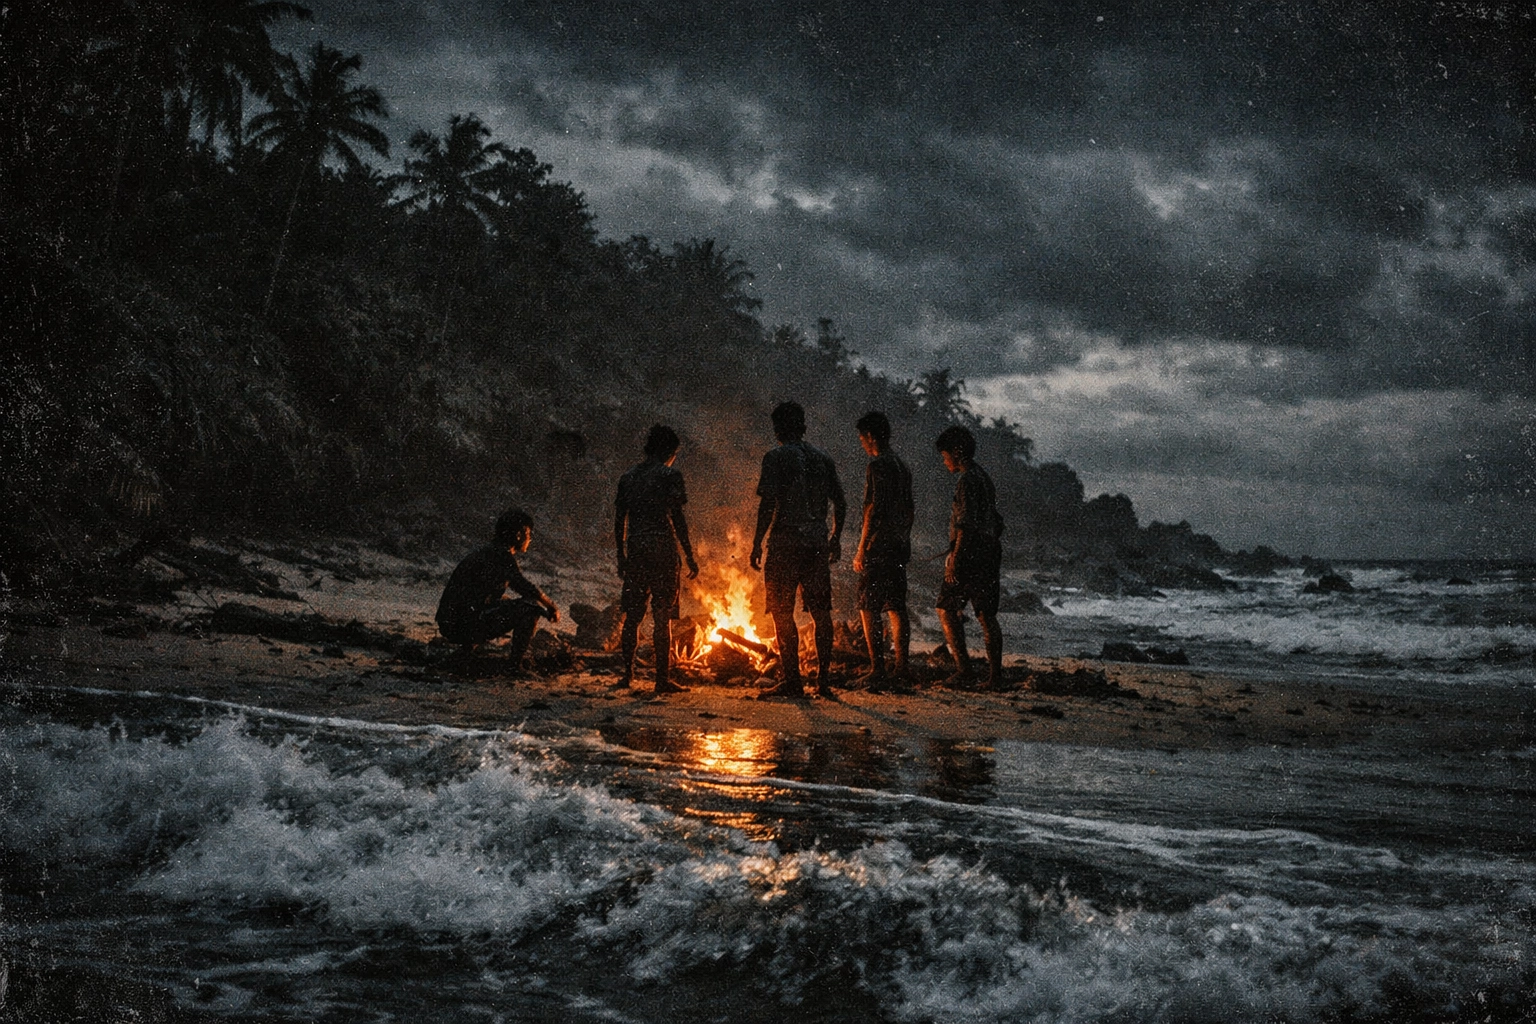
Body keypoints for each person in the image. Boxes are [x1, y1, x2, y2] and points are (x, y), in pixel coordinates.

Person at [750, 401, 846, 699]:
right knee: (821, 612)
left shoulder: (776, 457)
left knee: (781, 612)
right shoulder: (823, 459)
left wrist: (756, 542)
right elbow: (840, 502)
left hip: (785, 543)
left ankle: (793, 681)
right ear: (802, 427)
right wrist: (835, 537)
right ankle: (824, 682)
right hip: (816, 542)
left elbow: (768, 504)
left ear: (778, 428)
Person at [614, 423, 699, 696]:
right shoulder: (670, 475)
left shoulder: (628, 477)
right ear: (669, 451)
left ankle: (627, 675)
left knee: (633, 616)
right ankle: (661, 680)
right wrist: (688, 554)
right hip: (663, 548)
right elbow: (678, 518)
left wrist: (620, 553)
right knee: (662, 617)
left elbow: (619, 520)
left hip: (637, 547)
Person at [435, 508, 559, 672]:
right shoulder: (501, 556)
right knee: (531, 609)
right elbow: (525, 587)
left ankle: (465, 653)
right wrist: (550, 606)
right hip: (461, 625)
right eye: (528, 533)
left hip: (452, 622)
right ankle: (514, 665)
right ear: (518, 535)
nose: (530, 539)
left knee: (502, 602)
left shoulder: (488, 552)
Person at [934, 425, 1005, 689]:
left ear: (957, 452)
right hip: (989, 552)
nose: (944, 461)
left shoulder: (966, 481)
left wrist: (955, 559)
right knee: (986, 614)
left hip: (970, 554)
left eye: (945, 455)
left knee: (945, 608)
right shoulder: (984, 478)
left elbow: (964, 525)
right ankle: (994, 677)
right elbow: (995, 522)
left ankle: (964, 669)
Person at [852, 410, 914, 692]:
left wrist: (862, 548)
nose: (862, 444)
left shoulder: (877, 466)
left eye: (863, 438)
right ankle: (901, 667)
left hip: (879, 545)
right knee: (896, 606)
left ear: (871, 436)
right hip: (899, 545)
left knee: (868, 606)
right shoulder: (902, 466)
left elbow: (872, 509)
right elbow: (909, 509)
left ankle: (877, 668)